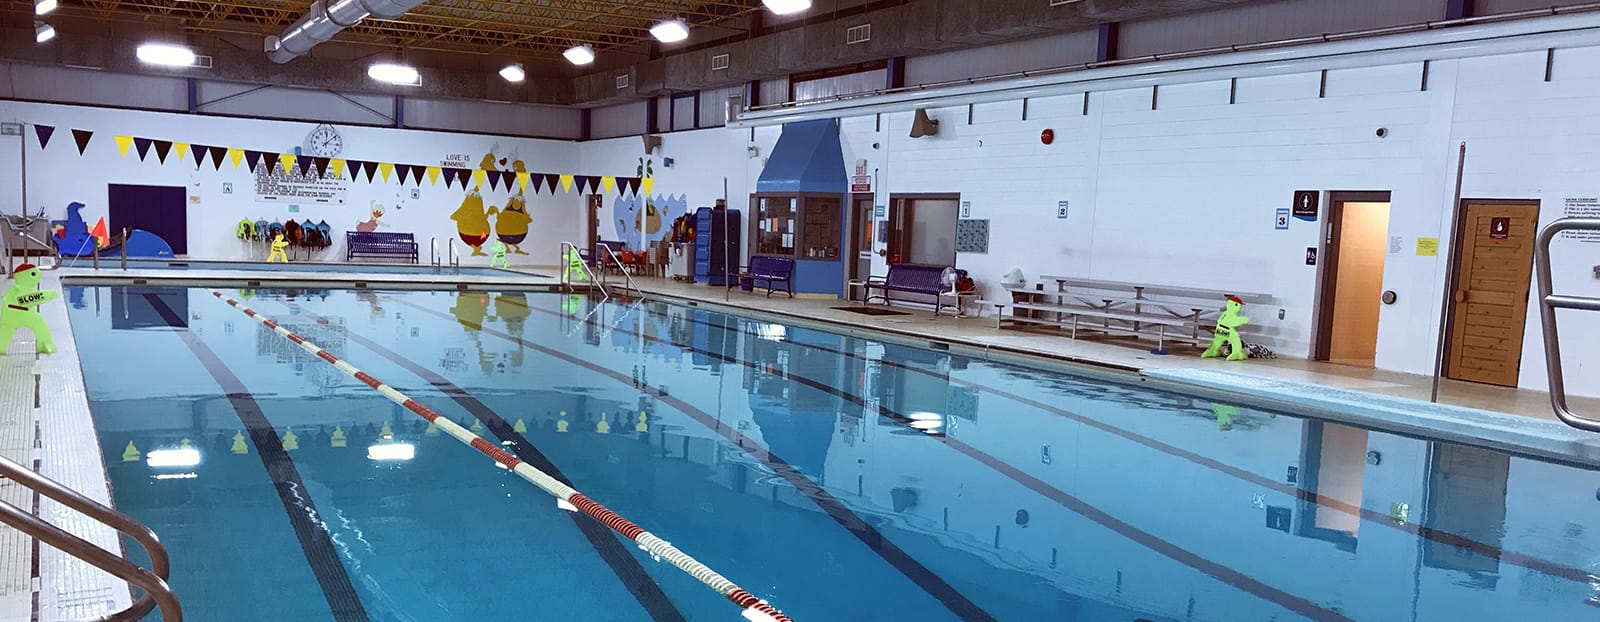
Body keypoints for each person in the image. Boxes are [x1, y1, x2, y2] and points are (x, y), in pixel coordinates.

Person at [1, 264, 58, 354]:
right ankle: (45, 343)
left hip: (10, 313)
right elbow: (34, 298)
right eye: (33, 274)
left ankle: (1, 345)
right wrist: (50, 294)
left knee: (6, 330)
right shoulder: (23, 290)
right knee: (40, 325)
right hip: (22, 312)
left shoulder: (15, 289)